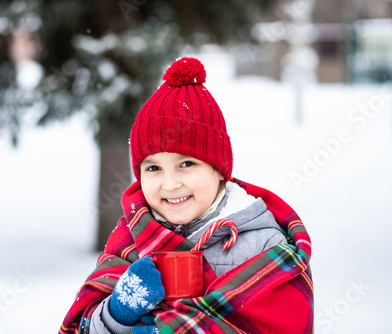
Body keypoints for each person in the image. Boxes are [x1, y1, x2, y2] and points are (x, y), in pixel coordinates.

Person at [59, 57, 314, 334]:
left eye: (186, 164)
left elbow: (287, 323)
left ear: (219, 170)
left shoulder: (263, 243)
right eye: (154, 168)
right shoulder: (132, 240)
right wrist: (117, 313)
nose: (170, 185)